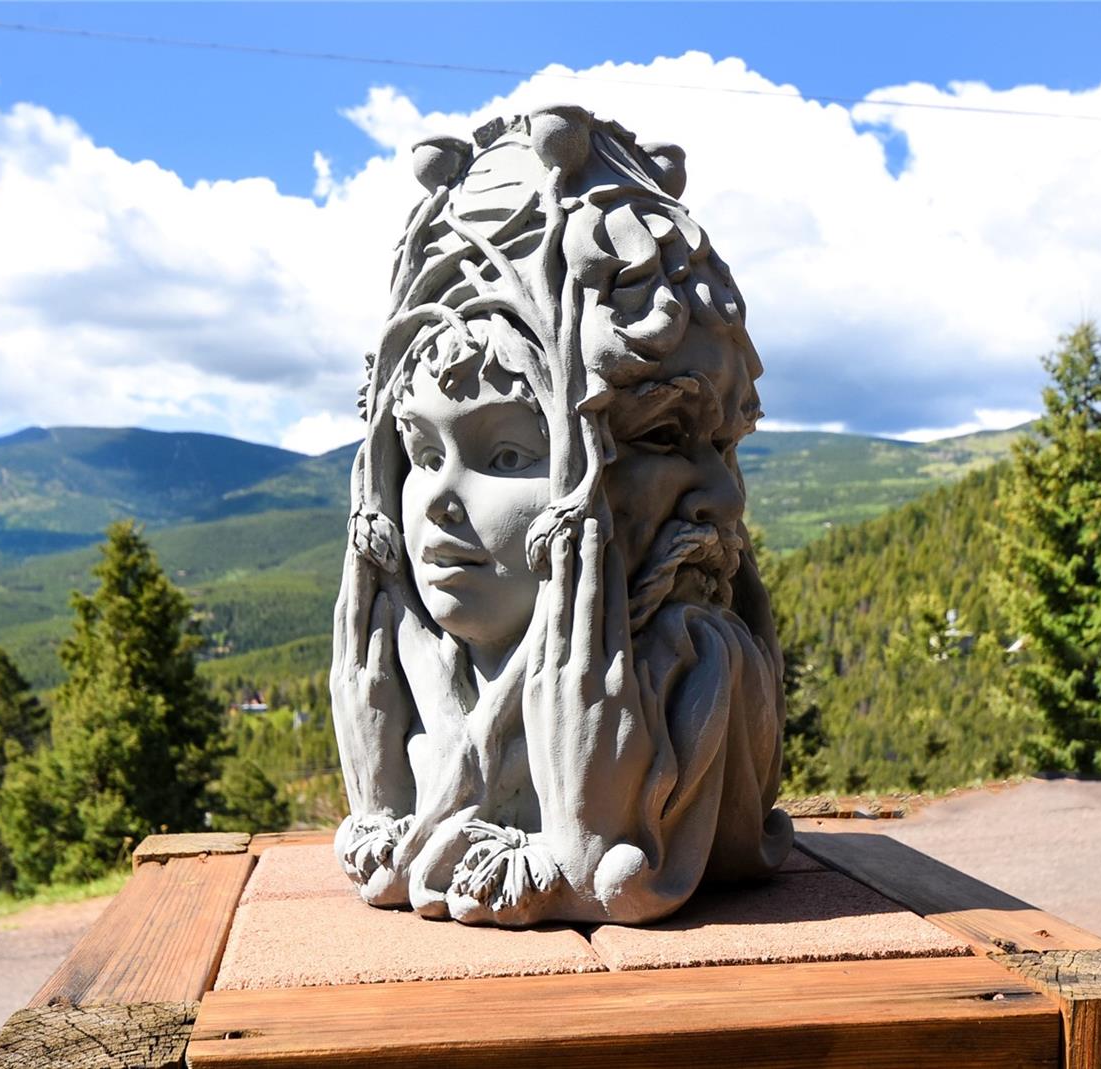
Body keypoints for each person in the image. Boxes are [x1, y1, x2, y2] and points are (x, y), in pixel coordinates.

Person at [331, 107, 791, 926]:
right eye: (424, 453)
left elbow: (601, 863)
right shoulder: (417, 665)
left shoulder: (695, 677)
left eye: (507, 456)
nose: (437, 499)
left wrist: (580, 830)